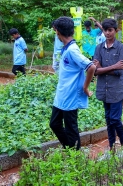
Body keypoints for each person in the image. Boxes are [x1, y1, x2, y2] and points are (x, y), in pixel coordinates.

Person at [49, 16, 96, 150]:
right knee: (54, 123)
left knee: (71, 128)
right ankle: (69, 148)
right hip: (62, 93)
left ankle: (75, 155)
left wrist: (85, 87)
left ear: (57, 32)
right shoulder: (66, 48)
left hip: (71, 94)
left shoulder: (72, 50)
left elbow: (91, 67)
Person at [93, 18, 123, 152]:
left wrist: (102, 68)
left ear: (115, 31)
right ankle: (112, 146)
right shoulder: (99, 48)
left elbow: (120, 71)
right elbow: (95, 71)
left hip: (116, 91)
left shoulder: (120, 48)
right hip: (104, 90)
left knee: (114, 119)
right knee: (108, 119)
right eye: (105, 30)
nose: (107, 33)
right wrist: (111, 67)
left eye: (110, 30)